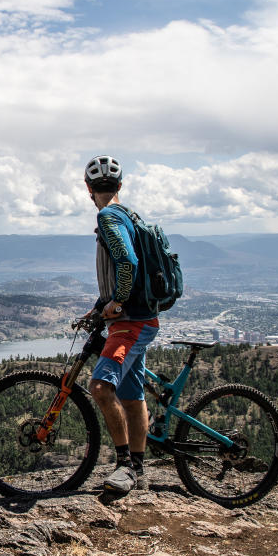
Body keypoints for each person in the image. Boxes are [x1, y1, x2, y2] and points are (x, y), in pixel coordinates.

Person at [80, 155, 159, 498]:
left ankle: (125, 464)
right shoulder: (127, 214)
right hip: (138, 319)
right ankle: (138, 467)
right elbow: (120, 272)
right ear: (120, 187)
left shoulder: (108, 216)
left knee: (100, 387)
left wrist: (118, 302)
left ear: (88, 189)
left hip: (130, 323)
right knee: (131, 394)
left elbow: (127, 263)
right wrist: (100, 308)